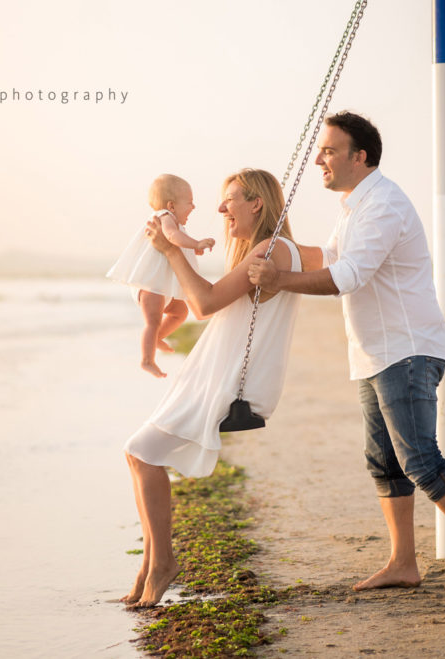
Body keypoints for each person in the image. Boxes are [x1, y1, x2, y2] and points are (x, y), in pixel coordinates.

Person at [247, 111, 445, 590]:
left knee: (420, 461)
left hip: (405, 350)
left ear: (359, 156)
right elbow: (326, 257)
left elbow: (347, 277)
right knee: (384, 462)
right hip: (374, 352)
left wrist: (279, 280)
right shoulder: (353, 206)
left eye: (328, 150)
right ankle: (403, 564)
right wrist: (268, 243)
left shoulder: (383, 205)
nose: (318, 160)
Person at [122, 168, 303, 608]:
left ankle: (163, 562)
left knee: (142, 452)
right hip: (217, 371)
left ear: (256, 203)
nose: (220, 209)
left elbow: (202, 304)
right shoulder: (271, 248)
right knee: (137, 453)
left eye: (230, 199)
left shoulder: (271, 248)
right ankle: (149, 564)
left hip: (231, 379)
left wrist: (170, 251)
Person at [106, 174, 216, 378]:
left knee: (180, 313)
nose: (193, 207)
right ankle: (147, 360)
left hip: (162, 287)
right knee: (153, 321)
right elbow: (173, 238)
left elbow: (176, 242)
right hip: (151, 286)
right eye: (190, 203)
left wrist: (192, 249)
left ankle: (157, 338)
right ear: (171, 205)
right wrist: (196, 243)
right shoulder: (164, 217)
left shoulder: (173, 222)